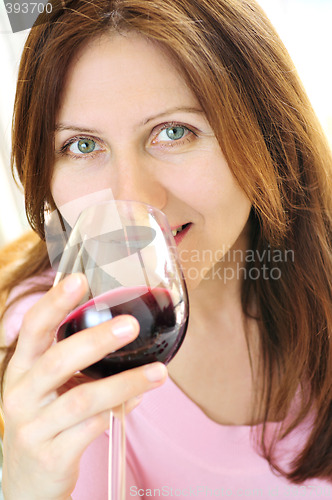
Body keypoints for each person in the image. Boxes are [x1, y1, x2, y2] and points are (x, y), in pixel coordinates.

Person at [0, 0, 331, 498]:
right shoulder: (46, 341)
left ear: (270, 136)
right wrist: (27, 485)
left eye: (174, 132)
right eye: (82, 146)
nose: (131, 197)